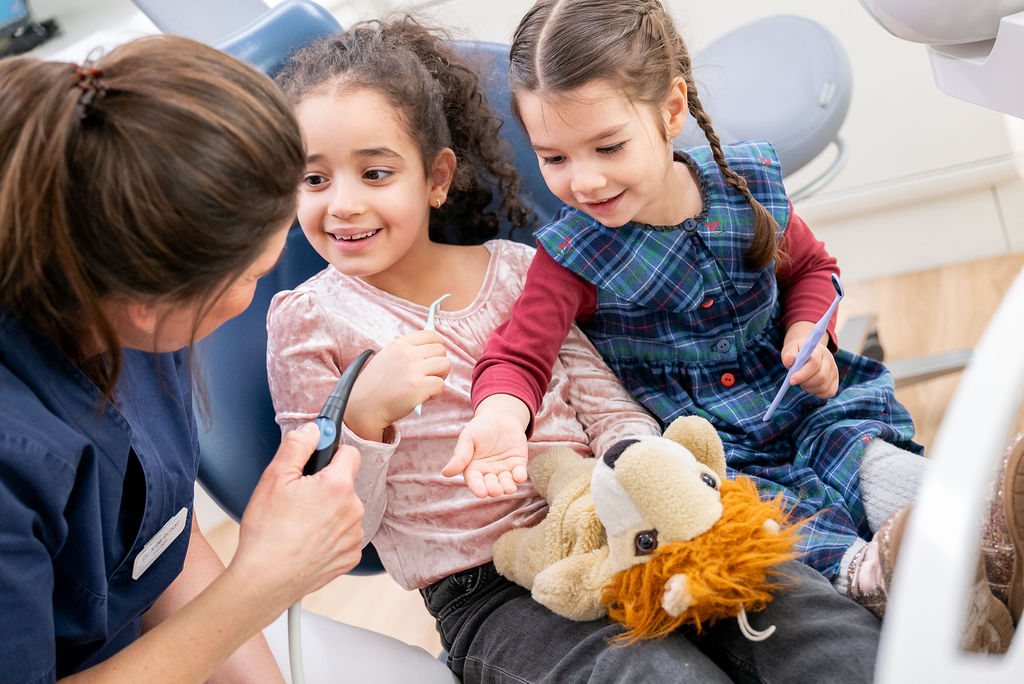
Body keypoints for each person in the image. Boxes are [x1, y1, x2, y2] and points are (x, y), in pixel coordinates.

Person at [267, 17, 884, 683]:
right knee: (660, 678)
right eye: (314, 180)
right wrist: (363, 419)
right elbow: (332, 534)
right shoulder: (308, 322)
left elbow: (606, 406)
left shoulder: (516, 269)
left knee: (820, 629)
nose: (343, 204)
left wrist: (634, 469)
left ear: (436, 177)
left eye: (375, 172)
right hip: (494, 589)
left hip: (630, 522)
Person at [451, 0, 1021, 650]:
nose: (585, 179)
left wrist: (808, 333)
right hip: (711, 449)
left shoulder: (744, 188)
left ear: (671, 111)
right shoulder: (570, 255)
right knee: (765, 521)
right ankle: (875, 579)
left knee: (870, 460)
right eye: (554, 158)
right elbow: (518, 354)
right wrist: (501, 414)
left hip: (798, 404)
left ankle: (984, 529)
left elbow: (813, 270)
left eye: (608, 146)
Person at [0, 34, 432, 683]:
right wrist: (261, 582)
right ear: (150, 300)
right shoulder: (15, 457)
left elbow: (161, 548)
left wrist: (257, 596)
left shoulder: (126, 305)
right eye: (255, 273)